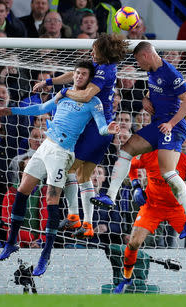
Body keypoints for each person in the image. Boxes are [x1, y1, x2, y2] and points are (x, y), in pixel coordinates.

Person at [0, 60, 120, 276]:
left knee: (52, 200)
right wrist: (11, 110)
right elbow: (42, 108)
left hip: (62, 154)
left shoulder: (93, 101)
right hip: (45, 147)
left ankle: (46, 254)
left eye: (83, 74)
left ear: (89, 78)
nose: (79, 77)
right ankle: (11, 241)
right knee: (22, 191)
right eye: (77, 73)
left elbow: (100, 128)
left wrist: (108, 129)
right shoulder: (64, 92)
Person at [91, 41, 186, 230]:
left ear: (145, 56)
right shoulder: (152, 71)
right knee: (126, 149)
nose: (138, 66)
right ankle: (110, 196)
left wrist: (171, 123)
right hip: (158, 124)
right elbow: (155, 89)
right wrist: (145, 97)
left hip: (172, 128)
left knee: (167, 172)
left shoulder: (171, 73)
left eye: (138, 62)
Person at [33, 33, 128, 239]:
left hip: (96, 128)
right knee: (84, 176)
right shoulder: (100, 64)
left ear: (103, 51)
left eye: (95, 48)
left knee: (67, 170)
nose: (92, 52)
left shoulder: (105, 71)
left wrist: (64, 93)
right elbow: (75, 73)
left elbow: (85, 95)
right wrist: (51, 81)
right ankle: (87, 224)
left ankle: (74, 216)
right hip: (101, 131)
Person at [113, 149, 186, 294]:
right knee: (133, 242)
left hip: (177, 209)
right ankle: (126, 278)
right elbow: (131, 165)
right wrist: (136, 186)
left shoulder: (183, 160)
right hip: (152, 207)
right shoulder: (149, 156)